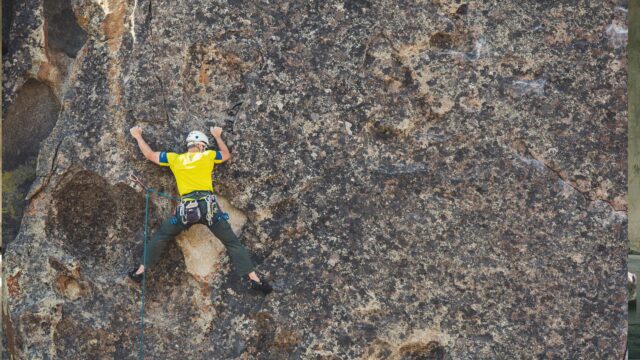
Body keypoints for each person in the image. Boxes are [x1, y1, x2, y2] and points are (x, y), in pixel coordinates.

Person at [127, 125, 272, 294]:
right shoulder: (208, 156)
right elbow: (226, 155)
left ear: (189, 145)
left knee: (162, 235)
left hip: (186, 210)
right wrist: (217, 136)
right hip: (208, 208)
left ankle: (140, 272)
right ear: (202, 145)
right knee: (232, 242)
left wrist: (137, 136)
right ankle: (255, 279)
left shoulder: (175, 159)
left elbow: (150, 155)